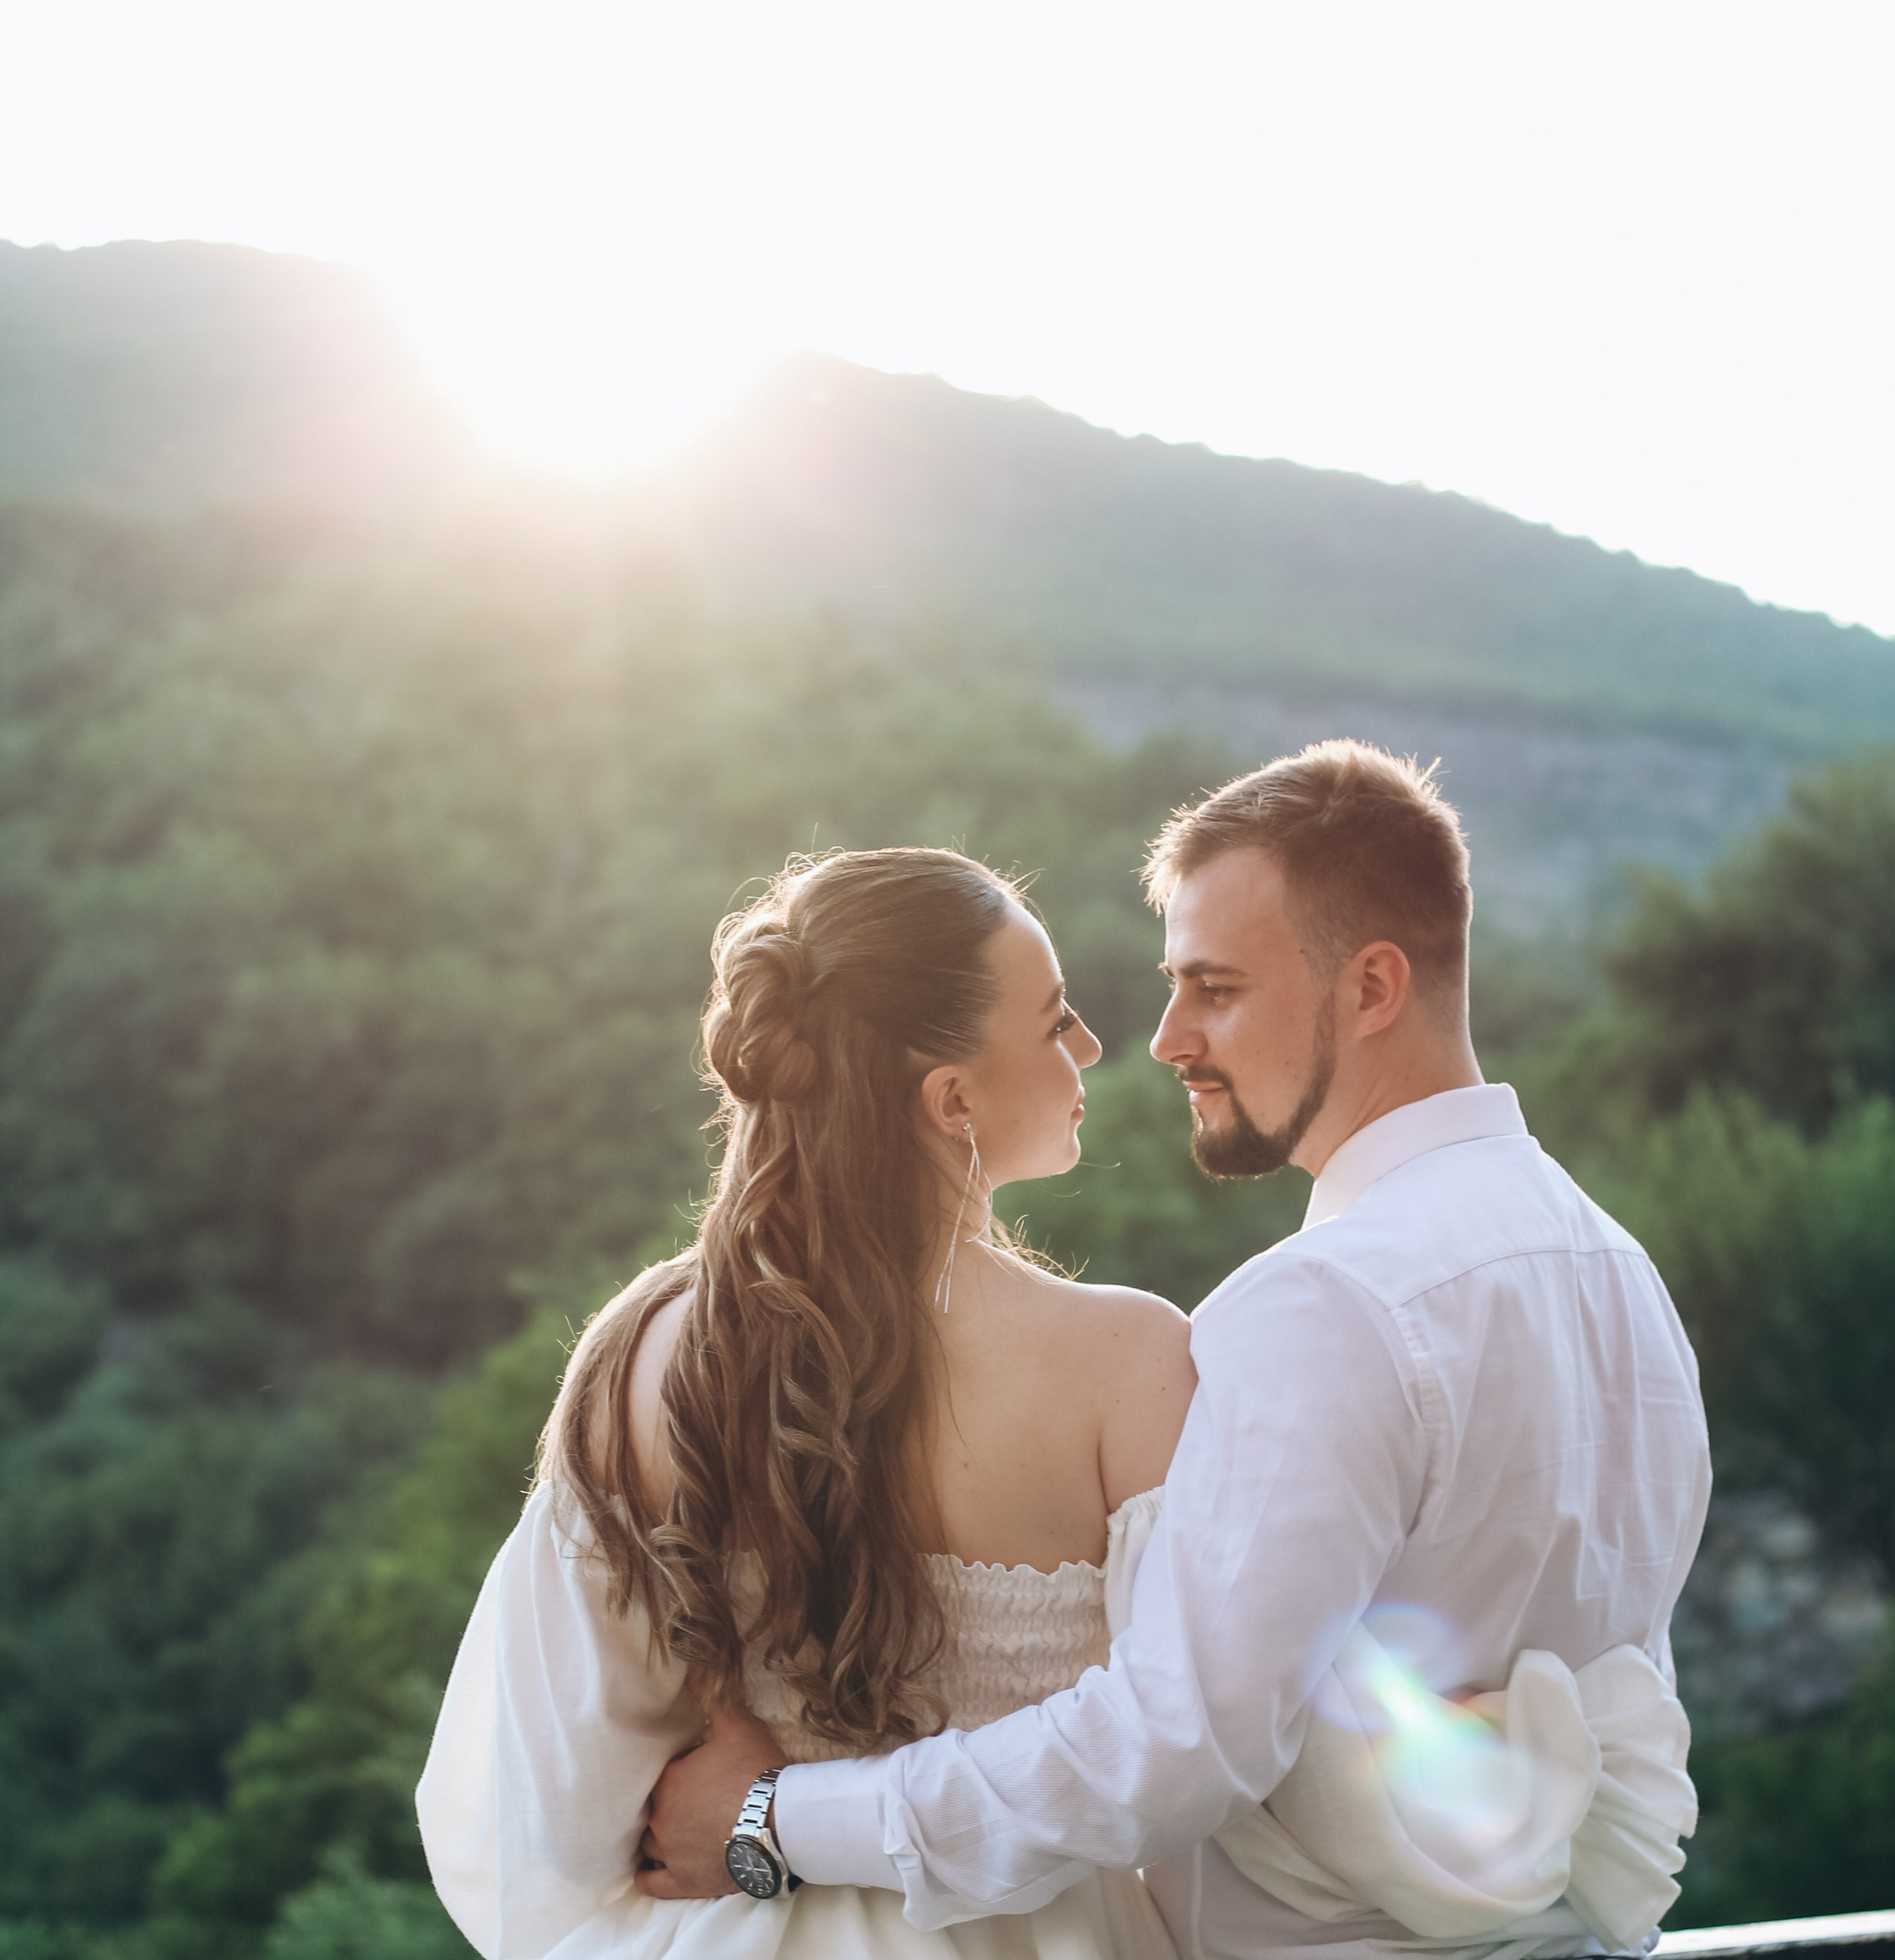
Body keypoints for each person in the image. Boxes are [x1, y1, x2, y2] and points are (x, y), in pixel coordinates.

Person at [639, 741, 1714, 1960]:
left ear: (1370, 989)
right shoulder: (1621, 1275)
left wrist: (777, 1821)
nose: (1164, 1038)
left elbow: (1165, 1751)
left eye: (1216, 988)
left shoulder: (1323, 1305)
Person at [417, 845, 1196, 1958]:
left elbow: (538, 1815)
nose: (1091, 1047)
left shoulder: (643, 1353)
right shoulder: (1131, 1362)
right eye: (1056, 1018)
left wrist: (751, 1836)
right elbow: (1181, 1765)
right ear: (950, 1098)